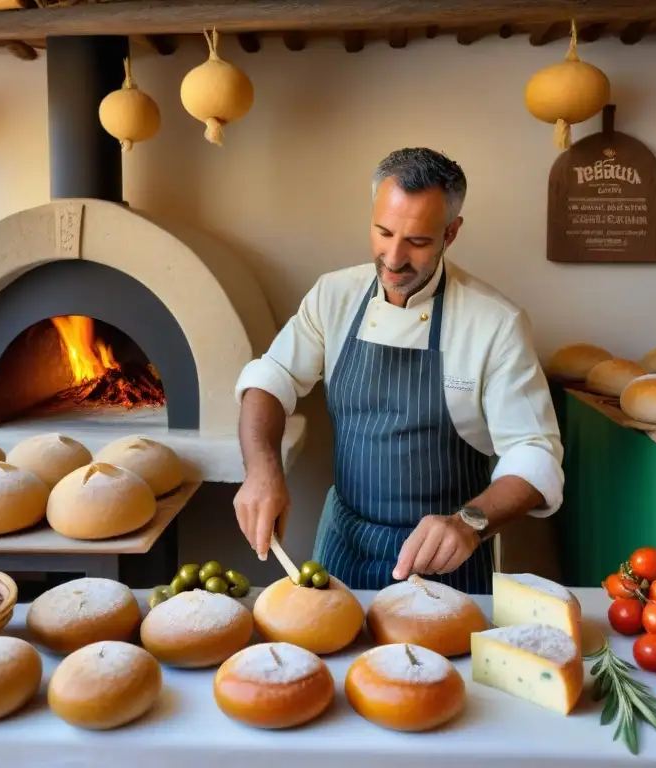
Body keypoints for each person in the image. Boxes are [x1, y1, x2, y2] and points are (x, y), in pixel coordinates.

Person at [232, 147, 563, 593]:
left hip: (445, 561)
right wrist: (261, 469)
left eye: (418, 242)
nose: (393, 257)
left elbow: (535, 454)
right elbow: (271, 380)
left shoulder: (494, 323)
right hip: (341, 542)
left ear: (451, 233)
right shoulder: (334, 296)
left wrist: (469, 523)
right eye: (383, 232)